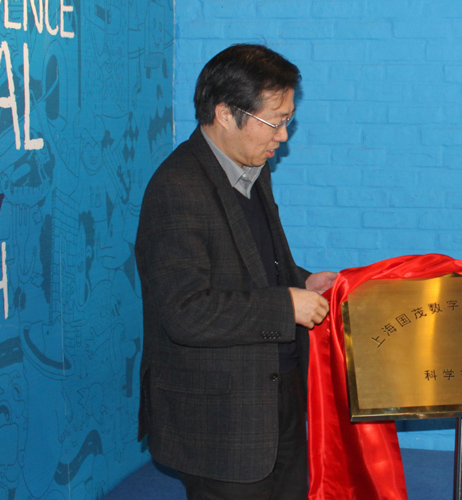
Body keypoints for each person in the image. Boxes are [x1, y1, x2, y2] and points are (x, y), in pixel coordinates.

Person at [135, 44, 336, 500]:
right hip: (220, 423)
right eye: (275, 121)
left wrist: (301, 281)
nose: (282, 136)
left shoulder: (251, 167)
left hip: (276, 399)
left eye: (288, 120)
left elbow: (249, 262)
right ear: (225, 113)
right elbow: (186, 312)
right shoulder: (177, 188)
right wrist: (286, 306)